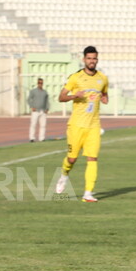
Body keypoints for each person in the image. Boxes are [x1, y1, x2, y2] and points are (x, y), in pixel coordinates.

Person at [55, 46, 109, 203]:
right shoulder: (76, 77)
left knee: (92, 158)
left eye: (94, 58)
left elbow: (105, 93)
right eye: (89, 58)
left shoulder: (103, 78)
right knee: (72, 159)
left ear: (97, 60)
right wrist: (74, 96)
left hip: (94, 126)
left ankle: (88, 193)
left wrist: (104, 98)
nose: (92, 61)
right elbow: (61, 97)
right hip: (76, 126)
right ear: (84, 59)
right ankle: (64, 175)